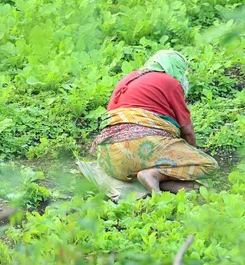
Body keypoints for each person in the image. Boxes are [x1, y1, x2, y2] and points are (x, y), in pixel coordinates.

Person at [90, 50, 218, 194]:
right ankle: (153, 175)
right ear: (177, 69)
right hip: (138, 146)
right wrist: (189, 160)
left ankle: (159, 182)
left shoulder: (127, 78)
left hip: (109, 160)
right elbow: (187, 132)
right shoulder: (170, 82)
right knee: (208, 165)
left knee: (143, 162)